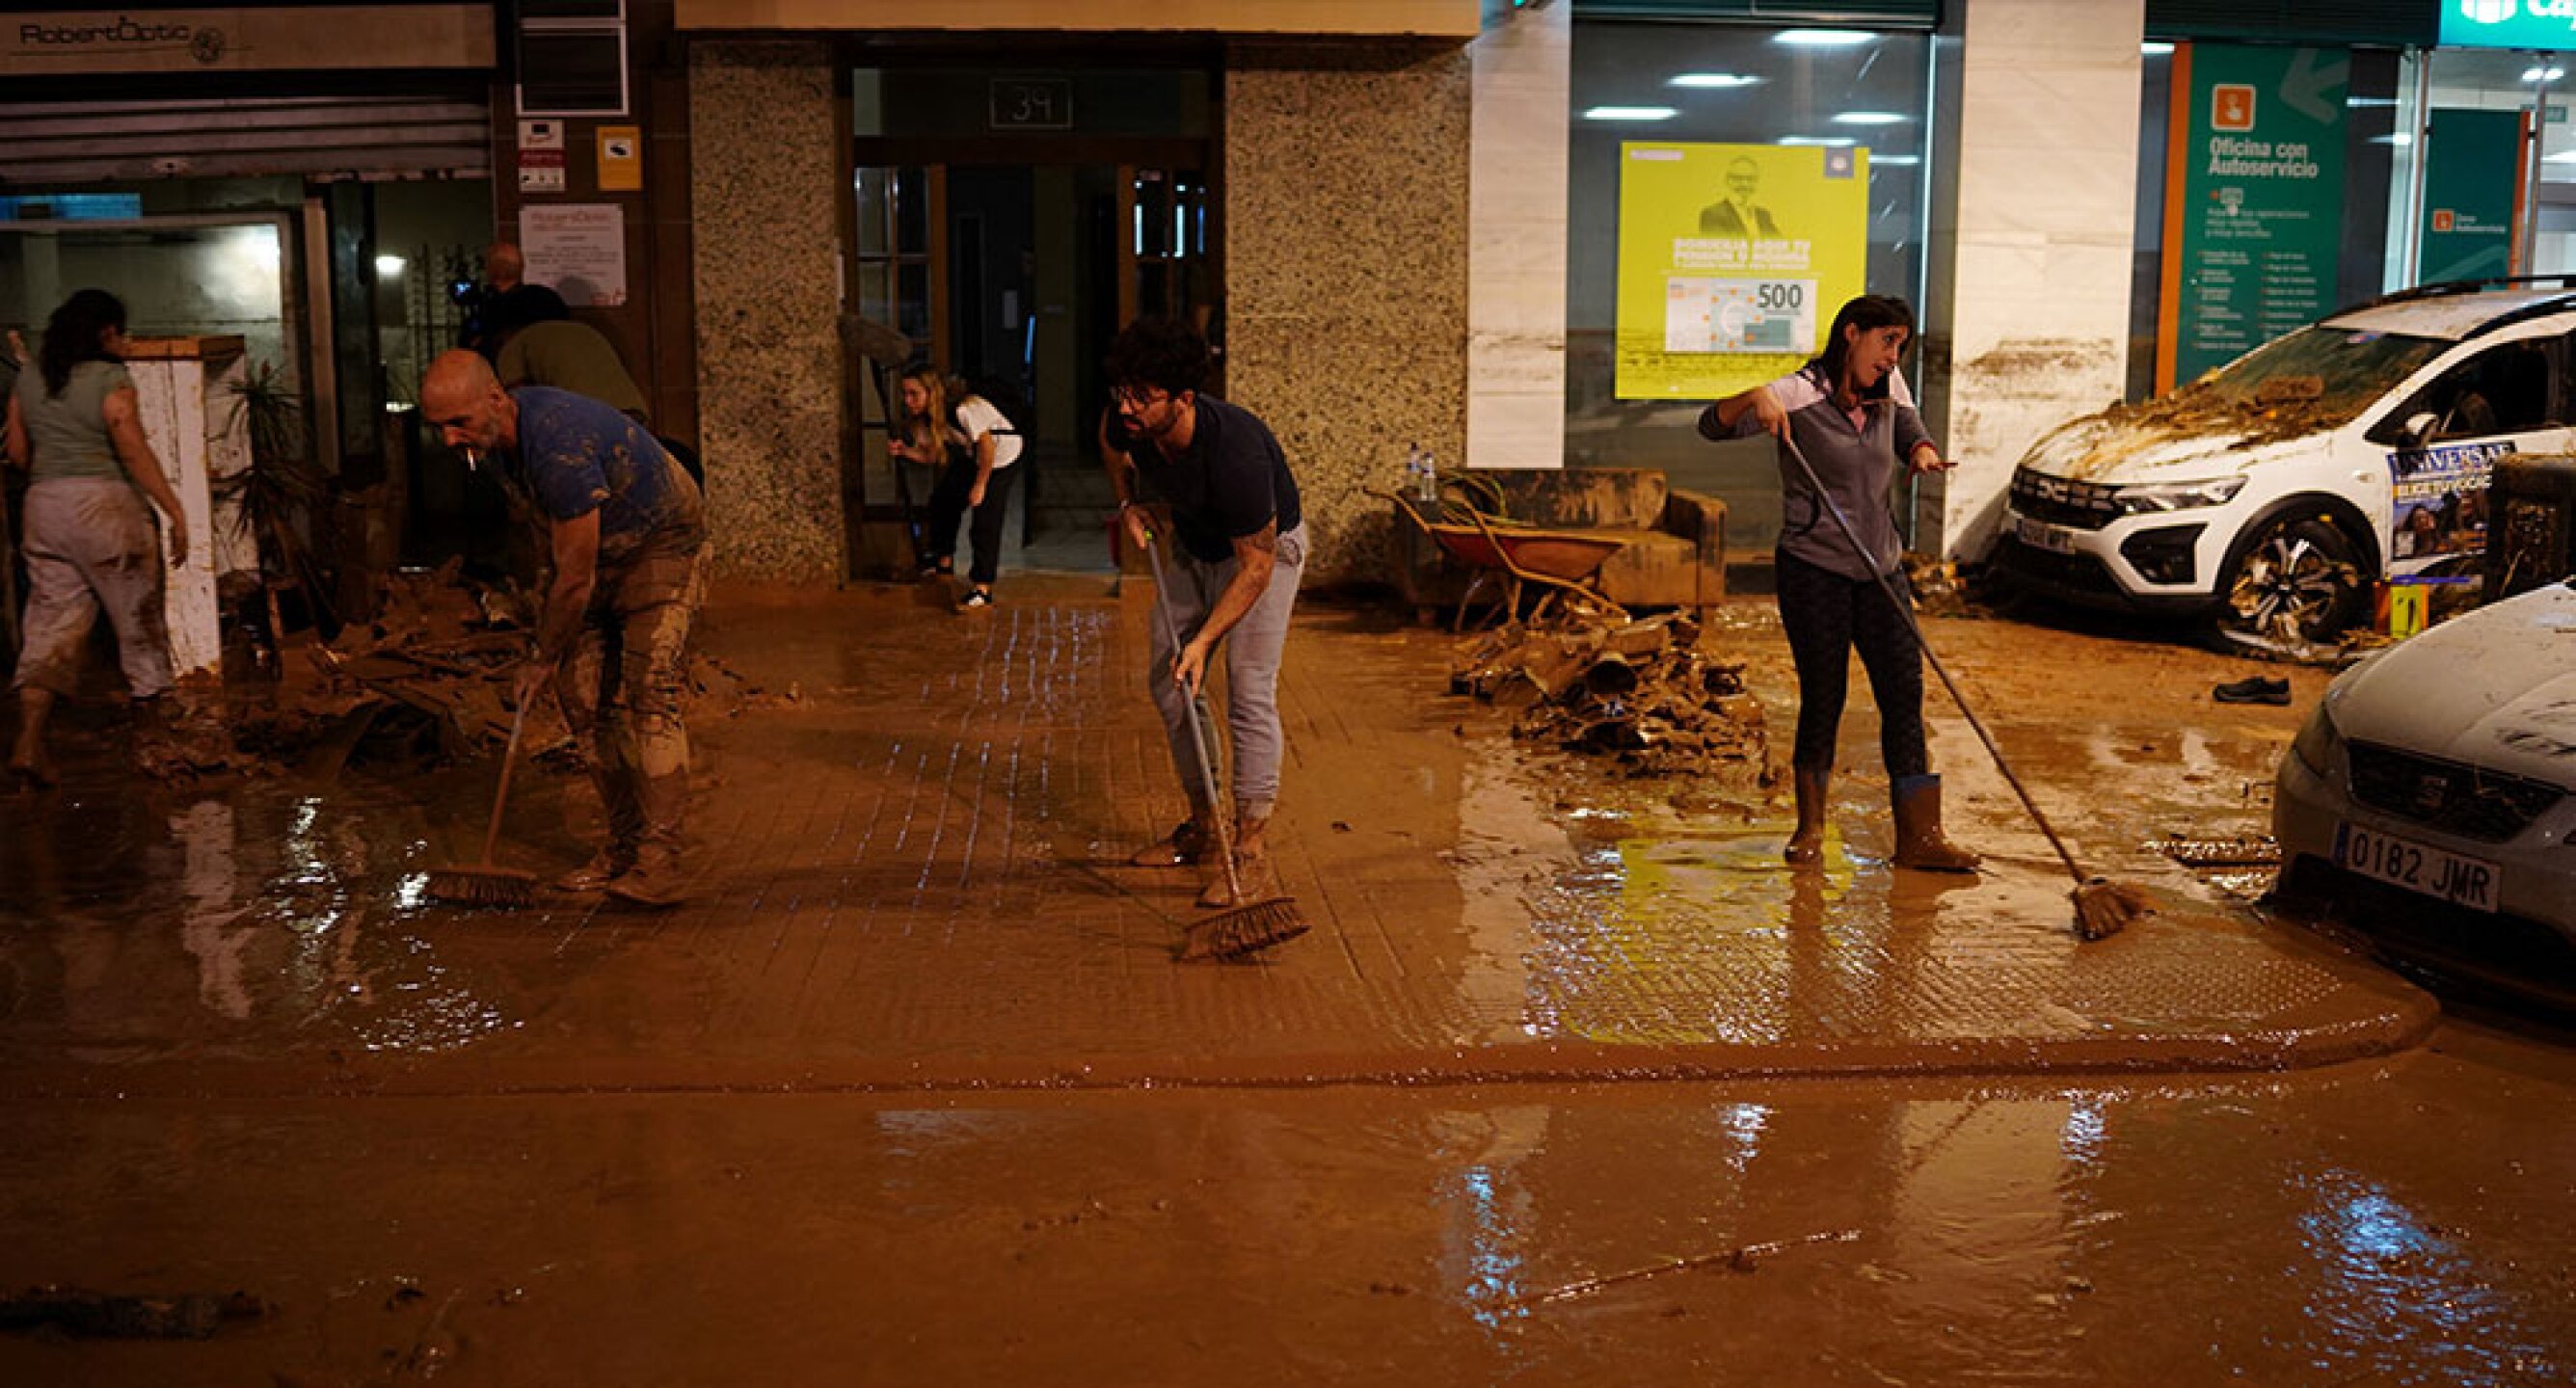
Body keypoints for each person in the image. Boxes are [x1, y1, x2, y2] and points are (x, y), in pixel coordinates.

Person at [419, 349, 708, 905]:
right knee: (580, 697)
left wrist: (540, 654)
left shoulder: (559, 446)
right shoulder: (495, 448)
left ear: (496, 399)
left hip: (661, 545)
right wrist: (546, 636)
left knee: (649, 691)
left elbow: (576, 579)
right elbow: (553, 547)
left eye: (460, 423)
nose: (451, 440)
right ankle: (622, 847)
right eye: (439, 429)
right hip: (598, 551)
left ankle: (660, 860)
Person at [1701, 293, 1976, 872]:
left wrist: (1922, 450)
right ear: (1852, 334)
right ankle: (1811, 829)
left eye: (1901, 344)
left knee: (1903, 694)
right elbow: (1711, 426)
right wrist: (1755, 398)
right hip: (1814, 568)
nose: (1894, 356)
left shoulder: (1888, 391)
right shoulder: (1796, 394)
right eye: (1887, 342)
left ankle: (1920, 838)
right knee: (1824, 696)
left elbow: (1909, 425)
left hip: (1881, 569)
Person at [1102, 317, 1306, 907]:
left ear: (1184, 400)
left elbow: (1257, 569)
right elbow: (1110, 442)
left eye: (1144, 397)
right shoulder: (1129, 418)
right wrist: (1129, 502)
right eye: (1124, 392)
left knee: (1247, 688)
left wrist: (1204, 640)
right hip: (1197, 542)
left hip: (1263, 554)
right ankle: (1205, 827)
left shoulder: (1236, 452)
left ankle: (1250, 848)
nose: (1129, 407)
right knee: (1171, 685)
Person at [2, 289, 191, 787]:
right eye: (120, 332)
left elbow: (17, 452)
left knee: (49, 625)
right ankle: (154, 746)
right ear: (105, 333)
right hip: (104, 508)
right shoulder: (110, 378)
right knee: (138, 620)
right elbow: (130, 448)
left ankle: (27, 744)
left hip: (43, 508)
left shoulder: (29, 378)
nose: (125, 341)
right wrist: (174, 509)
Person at [492, 305, 702, 487]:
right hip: (631, 412)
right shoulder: (583, 330)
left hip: (584, 423)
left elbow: (517, 407)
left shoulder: (516, 344)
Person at [891, 365, 1020, 609]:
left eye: (914, 394)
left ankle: (982, 586)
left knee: (985, 518)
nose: (908, 400)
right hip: (974, 456)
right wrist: (905, 451)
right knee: (943, 500)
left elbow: (988, 447)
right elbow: (931, 457)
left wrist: (980, 485)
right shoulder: (928, 420)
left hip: (1002, 456)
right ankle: (943, 561)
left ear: (931, 393)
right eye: (905, 394)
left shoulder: (963, 410)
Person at [1699, 156, 1783, 239]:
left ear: (1756, 182)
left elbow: (1780, 246)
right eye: (1738, 178)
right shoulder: (1712, 214)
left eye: (1750, 179)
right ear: (1727, 180)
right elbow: (1719, 250)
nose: (1744, 184)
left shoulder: (1763, 215)